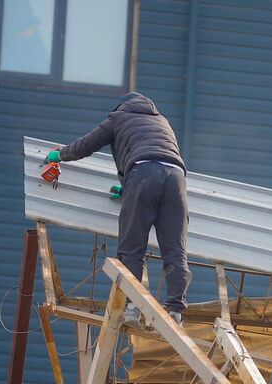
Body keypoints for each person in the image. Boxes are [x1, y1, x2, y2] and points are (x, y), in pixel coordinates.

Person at [45, 92, 191, 326]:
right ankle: (176, 311)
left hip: (142, 173)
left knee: (132, 247)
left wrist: (59, 155)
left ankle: (133, 308)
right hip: (176, 177)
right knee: (175, 248)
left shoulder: (118, 117)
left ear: (121, 106)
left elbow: (86, 145)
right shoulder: (162, 121)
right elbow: (158, 159)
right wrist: (128, 189)